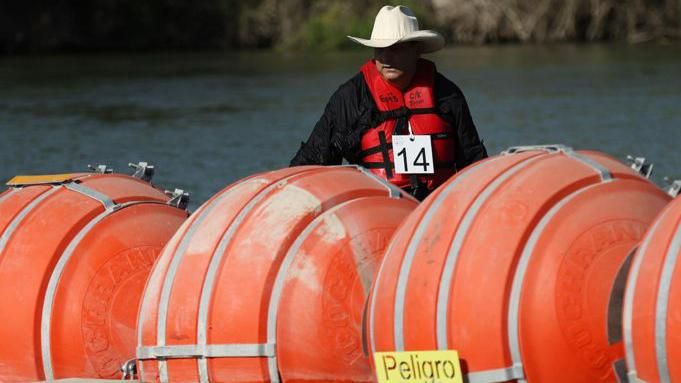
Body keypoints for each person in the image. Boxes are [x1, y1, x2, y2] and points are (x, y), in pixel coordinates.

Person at [290, 5, 487, 200]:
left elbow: (474, 163)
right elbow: (311, 162)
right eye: (380, 49)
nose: (386, 57)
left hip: (437, 210)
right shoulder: (352, 97)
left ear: (416, 49)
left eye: (395, 48)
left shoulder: (447, 94)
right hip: (380, 213)